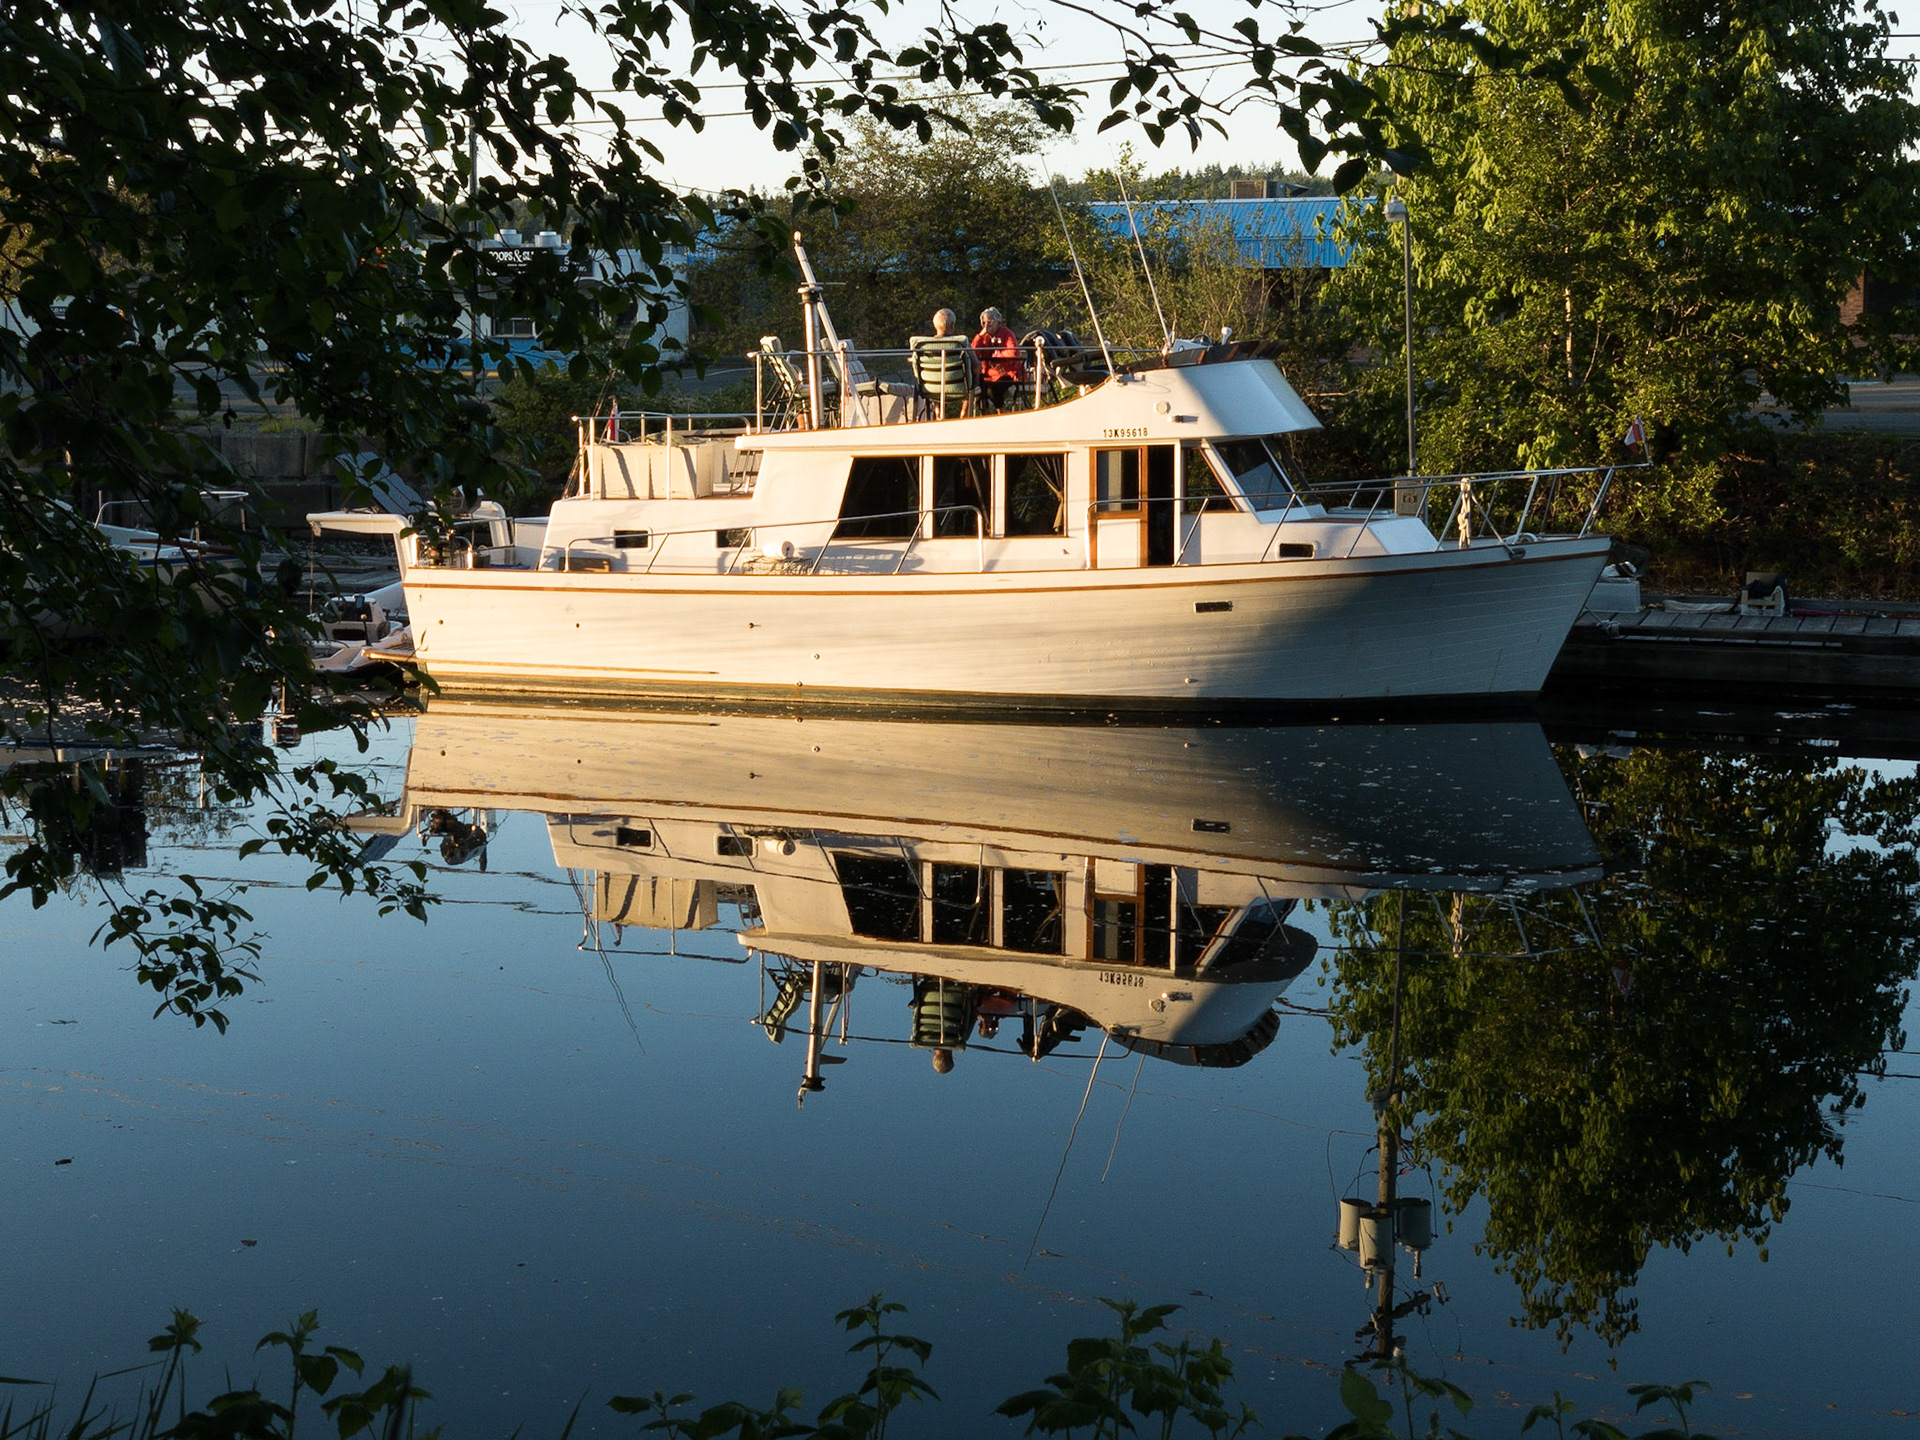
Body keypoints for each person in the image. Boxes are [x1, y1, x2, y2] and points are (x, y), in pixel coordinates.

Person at [971, 307, 1026, 411]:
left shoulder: (1007, 334)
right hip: (987, 374)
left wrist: (997, 354)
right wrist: (980, 336)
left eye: (990, 322)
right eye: (984, 322)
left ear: (998, 322)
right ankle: (988, 415)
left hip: (1007, 374)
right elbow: (973, 352)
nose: (987, 326)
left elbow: (1014, 352)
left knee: (992, 390)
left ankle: (1001, 413)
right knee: (979, 391)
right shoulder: (984, 336)